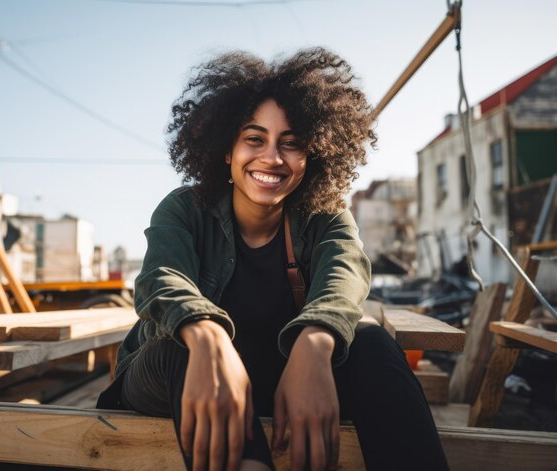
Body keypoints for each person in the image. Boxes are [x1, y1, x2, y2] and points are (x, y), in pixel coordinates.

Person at [98, 48, 449, 471]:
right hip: (171, 373)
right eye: (254, 139)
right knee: (184, 348)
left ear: (311, 156)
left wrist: (316, 343)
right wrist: (207, 336)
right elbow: (160, 279)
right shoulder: (184, 209)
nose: (272, 158)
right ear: (226, 150)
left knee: (374, 345)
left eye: (291, 143)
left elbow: (345, 278)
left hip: (276, 376)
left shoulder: (326, 217)